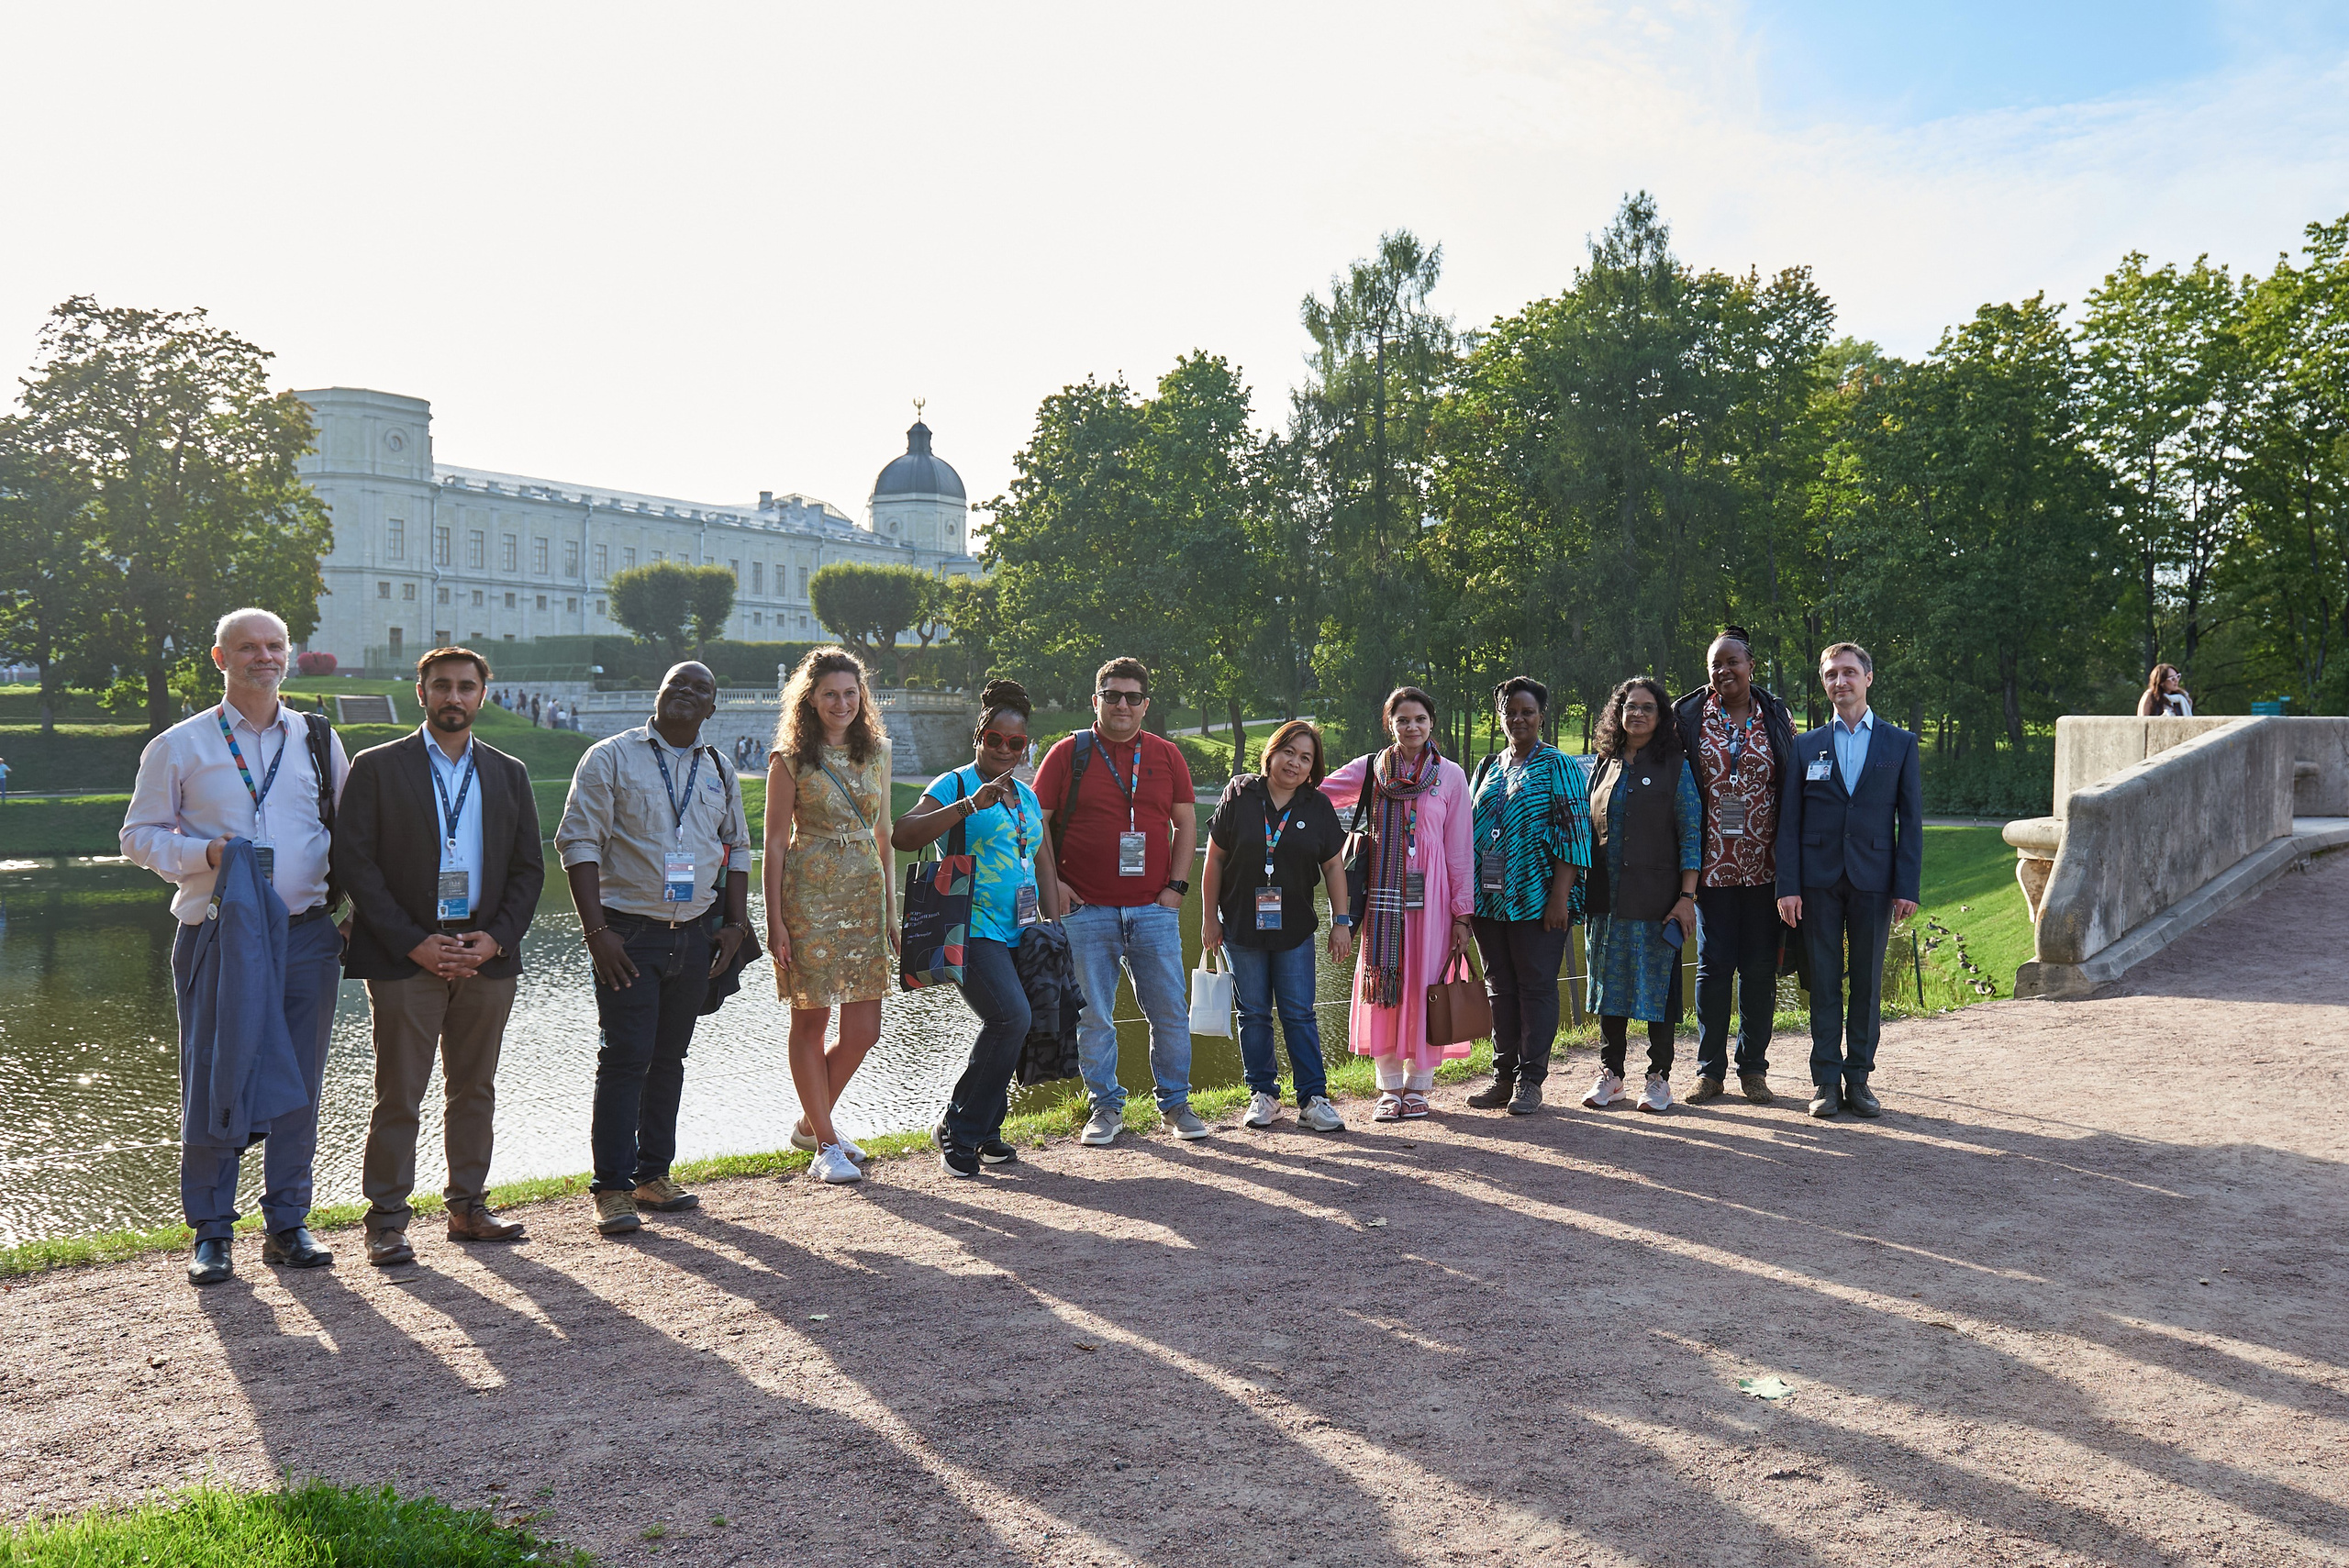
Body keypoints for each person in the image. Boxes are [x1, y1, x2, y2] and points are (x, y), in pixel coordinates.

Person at [120, 607, 349, 1286]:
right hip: (218, 936)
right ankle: (212, 1231)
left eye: (274, 645)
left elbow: (351, 829)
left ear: (289, 655)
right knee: (214, 1075)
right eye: (248, 647)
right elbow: (137, 836)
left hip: (306, 934)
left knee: (300, 1084)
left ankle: (288, 1223)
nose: (264, 656)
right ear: (220, 658)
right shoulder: (179, 744)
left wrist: (356, 916)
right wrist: (205, 853)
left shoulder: (316, 737)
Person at [332, 647, 543, 1267]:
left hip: (485, 954)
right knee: (399, 1092)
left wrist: (497, 938)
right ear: (421, 692)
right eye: (442, 686)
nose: (455, 696)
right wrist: (412, 941)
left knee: (475, 1088)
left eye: (466, 687)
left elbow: (529, 869)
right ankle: (386, 1222)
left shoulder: (508, 772)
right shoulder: (377, 767)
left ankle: (468, 1207)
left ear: (483, 695)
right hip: (405, 955)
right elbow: (355, 864)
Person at [557, 661, 752, 1235]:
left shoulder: (718, 769)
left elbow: (737, 847)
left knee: (669, 1059)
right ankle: (612, 1188)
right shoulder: (610, 757)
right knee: (625, 1059)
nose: (687, 693)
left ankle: (652, 1175)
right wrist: (597, 934)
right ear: (658, 693)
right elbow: (579, 843)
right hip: (628, 934)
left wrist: (735, 924)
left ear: (712, 707)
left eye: (701, 688)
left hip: (693, 934)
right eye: (677, 684)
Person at [892, 678, 1069, 1176]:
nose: (1005, 750)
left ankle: (988, 1131)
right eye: (996, 739)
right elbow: (903, 834)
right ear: (979, 736)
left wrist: (1054, 930)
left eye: (1016, 742)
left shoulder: (1027, 797)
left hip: (1024, 932)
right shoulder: (953, 785)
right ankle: (961, 1129)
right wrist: (970, 805)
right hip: (969, 927)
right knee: (1010, 1018)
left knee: (1016, 1025)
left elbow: (1044, 865)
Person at [1034, 656, 1205, 1145]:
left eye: (1132, 697)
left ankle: (1175, 1104)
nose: (1122, 705)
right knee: (1094, 1016)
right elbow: (1037, 825)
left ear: (1145, 704)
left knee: (1170, 1012)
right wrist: (1053, 885)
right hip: (1085, 910)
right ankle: (1106, 1107)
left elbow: (1185, 824)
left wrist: (1176, 889)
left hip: (1154, 910)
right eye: (1112, 696)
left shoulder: (1167, 755)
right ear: (1096, 701)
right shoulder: (1067, 753)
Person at [763, 649, 896, 1185]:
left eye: (850, 693)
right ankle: (825, 1142)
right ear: (810, 700)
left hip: (865, 897)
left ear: (862, 696)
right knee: (811, 1022)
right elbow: (775, 843)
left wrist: (891, 910)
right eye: (829, 694)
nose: (842, 704)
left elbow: (884, 834)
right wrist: (775, 921)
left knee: (865, 1030)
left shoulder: (879, 750)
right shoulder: (789, 759)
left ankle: (809, 1124)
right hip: (808, 899)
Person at [1776, 642, 1922, 1119]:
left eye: (1849, 672)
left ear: (1868, 678)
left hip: (1874, 879)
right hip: (1816, 881)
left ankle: (1858, 1079)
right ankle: (1825, 1082)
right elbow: (1789, 822)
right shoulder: (1806, 745)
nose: (1840, 681)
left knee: (1867, 983)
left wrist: (1906, 886)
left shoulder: (1900, 744)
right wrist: (1787, 886)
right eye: (1831, 674)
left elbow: (1911, 822)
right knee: (1823, 983)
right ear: (1824, 683)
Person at [1321, 687, 1474, 1121]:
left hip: (1434, 900)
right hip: (1383, 899)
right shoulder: (1370, 770)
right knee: (1383, 984)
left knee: (1426, 983)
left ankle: (1419, 1085)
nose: (1412, 727)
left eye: (1420, 719)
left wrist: (1463, 914)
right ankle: (1389, 1087)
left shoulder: (1451, 776)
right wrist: (1262, 784)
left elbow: (1460, 848)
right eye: (1402, 720)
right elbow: (1315, 792)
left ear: (1432, 723)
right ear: (1390, 724)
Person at [1201, 718, 1353, 1133]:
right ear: (1272, 752)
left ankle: (1313, 1099)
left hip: (1295, 930)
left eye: (1305, 757)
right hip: (1240, 927)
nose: (1295, 763)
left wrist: (1341, 921)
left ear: (1313, 767)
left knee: (1299, 1014)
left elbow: (1334, 867)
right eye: (1289, 752)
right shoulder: (1239, 795)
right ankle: (1264, 1095)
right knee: (1253, 1014)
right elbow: (1214, 859)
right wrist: (1209, 918)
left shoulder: (1317, 807)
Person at [1670, 628, 1799, 1106]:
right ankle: (1709, 1071)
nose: (1724, 671)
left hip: (1766, 867)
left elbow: (1792, 785)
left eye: (1732, 662)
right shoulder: (1689, 716)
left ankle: (1753, 1069)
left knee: (1760, 970)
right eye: (1716, 665)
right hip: (1711, 868)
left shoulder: (1776, 715)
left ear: (1751, 665)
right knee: (1713, 967)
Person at [1462, 678, 1590, 1116]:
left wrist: (1559, 897)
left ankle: (1530, 1080)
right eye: (1510, 712)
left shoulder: (1559, 765)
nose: (1518, 719)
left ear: (1541, 716)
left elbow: (1575, 836)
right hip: (1489, 902)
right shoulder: (1488, 766)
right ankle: (1503, 1077)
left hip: (1538, 900)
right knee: (1499, 988)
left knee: (1535, 987)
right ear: (1500, 718)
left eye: (1527, 712)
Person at [1579, 676, 1701, 1116]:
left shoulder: (1675, 765)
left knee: (1658, 988)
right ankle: (1611, 1075)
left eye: (1648, 707)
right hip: (1606, 899)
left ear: (1661, 715)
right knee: (1608, 988)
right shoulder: (1604, 763)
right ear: (1618, 713)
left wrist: (1686, 897)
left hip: (1657, 900)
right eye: (1630, 706)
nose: (1638, 714)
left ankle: (1658, 1077)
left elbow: (1691, 834)